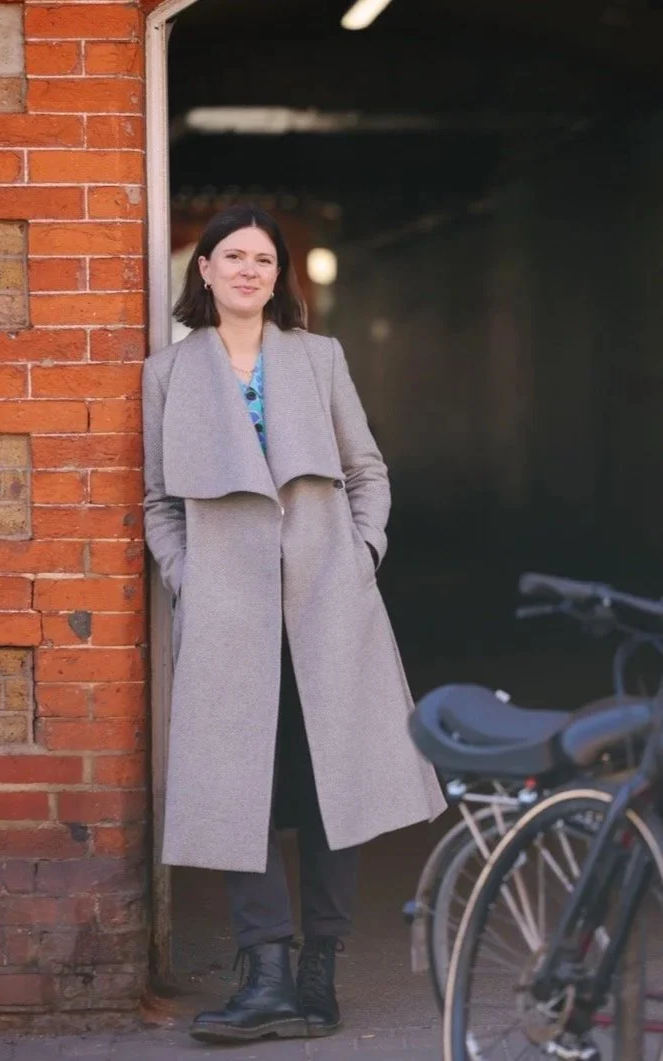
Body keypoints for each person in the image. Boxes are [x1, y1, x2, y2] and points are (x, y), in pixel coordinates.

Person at [142, 205, 446, 1045]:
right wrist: (190, 580)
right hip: (226, 613)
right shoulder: (168, 373)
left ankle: (319, 973)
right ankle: (267, 972)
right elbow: (160, 501)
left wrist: (361, 554)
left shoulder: (319, 358)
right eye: (233, 256)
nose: (249, 270)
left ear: (279, 276)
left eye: (264, 259)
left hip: (327, 602)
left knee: (330, 784)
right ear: (204, 269)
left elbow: (366, 469)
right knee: (234, 788)